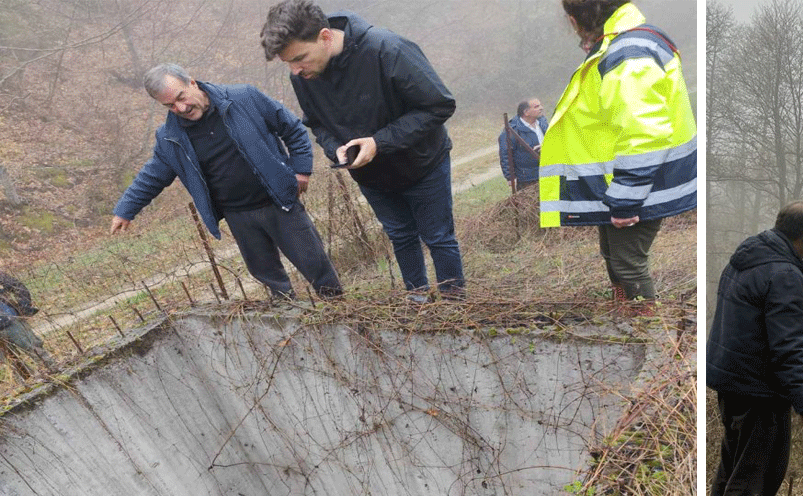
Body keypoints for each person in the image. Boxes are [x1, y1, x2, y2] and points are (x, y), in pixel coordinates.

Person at [261, 0, 463, 301]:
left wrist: (379, 142)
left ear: (325, 37)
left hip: (423, 164)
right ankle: (418, 301)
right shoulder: (303, 76)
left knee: (438, 237)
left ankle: (455, 304)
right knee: (401, 236)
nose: (295, 70)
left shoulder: (388, 49)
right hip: (371, 176)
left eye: (300, 58)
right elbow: (317, 124)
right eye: (288, 63)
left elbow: (439, 105)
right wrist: (336, 150)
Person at [111, 64, 343, 301]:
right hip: (237, 215)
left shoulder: (244, 98)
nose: (181, 108)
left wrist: (301, 170)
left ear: (192, 82)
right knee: (267, 275)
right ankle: (288, 313)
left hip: (279, 201)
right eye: (170, 105)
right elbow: (153, 175)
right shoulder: (170, 136)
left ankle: (336, 305)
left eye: (181, 97)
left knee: (314, 262)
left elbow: (292, 129)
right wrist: (125, 209)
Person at [542, 0, 697, 311]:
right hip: (627, 181)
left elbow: (644, 132)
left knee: (628, 264)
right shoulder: (624, 44)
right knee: (615, 257)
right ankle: (627, 318)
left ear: (577, 19)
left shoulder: (628, 53)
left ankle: (644, 329)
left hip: (640, 182)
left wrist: (626, 197)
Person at [706, 202, 803, 496]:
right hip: (761, 392)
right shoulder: (784, 276)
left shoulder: (749, 257)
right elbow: (789, 347)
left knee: (733, 468)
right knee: (755, 478)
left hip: (733, 384)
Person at [0, 271, 55, 380]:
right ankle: (32, 383)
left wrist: (24, 305)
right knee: (12, 364)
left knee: (35, 350)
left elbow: (17, 286)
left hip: (11, 322)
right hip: (10, 321)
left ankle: (56, 372)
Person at [498, 98, 548, 191]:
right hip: (527, 179)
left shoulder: (543, 122)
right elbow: (505, 154)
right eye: (536, 107)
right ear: (526, 112)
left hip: (549, 172)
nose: (541, 108)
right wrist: (510, 177)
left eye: (540, 105)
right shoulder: (511, 130)